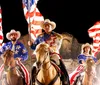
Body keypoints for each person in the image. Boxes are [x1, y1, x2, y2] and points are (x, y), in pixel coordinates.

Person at [28, 19, 70, 85]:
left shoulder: (57, 36)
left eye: (48, 25)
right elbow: (34, 47)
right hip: (42, 55)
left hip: (53, 54)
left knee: (62, 66)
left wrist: (49, 48)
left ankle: (65, 81)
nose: (47, 27)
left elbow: (57, 46)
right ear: (44, 28)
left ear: (51, 27)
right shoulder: (39, 37)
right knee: (34, 67)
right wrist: (31, 45)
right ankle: (32, 82)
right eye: (45, 26)